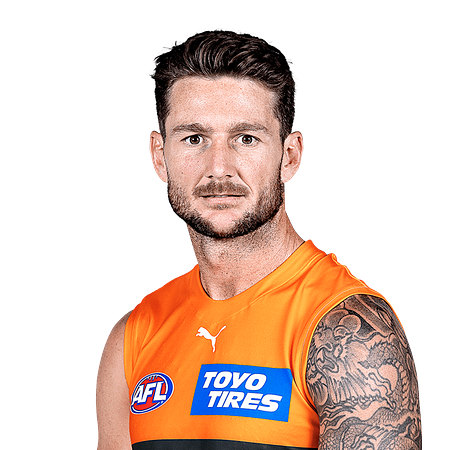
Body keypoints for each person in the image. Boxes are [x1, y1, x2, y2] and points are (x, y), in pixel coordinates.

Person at [95, 29, 422, 450]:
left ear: (290, 156)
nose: (219, 168)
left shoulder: (349, 333)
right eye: (194, 139)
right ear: (159, 156)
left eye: (246, 138)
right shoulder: (132, 336)